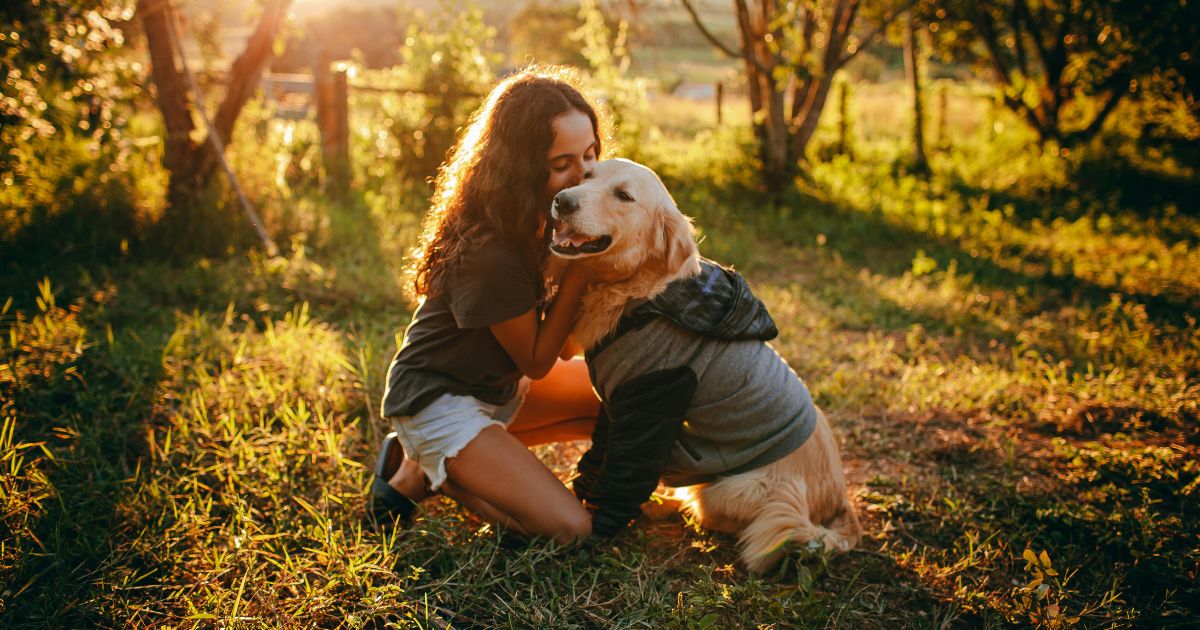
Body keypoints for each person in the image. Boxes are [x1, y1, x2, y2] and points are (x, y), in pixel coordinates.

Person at [370, 66, 603, 545]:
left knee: (617, 397)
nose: (583, 175)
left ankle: (433, 464)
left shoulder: (548, 218)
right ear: (522, 167)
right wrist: (580, 270)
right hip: (437, 400)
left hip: (497, 389)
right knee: (570, 530)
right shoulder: (491, 252)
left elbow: (565, 348)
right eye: (562, 163)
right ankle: (430, 470)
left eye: (590, 154)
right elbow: (537, 361)